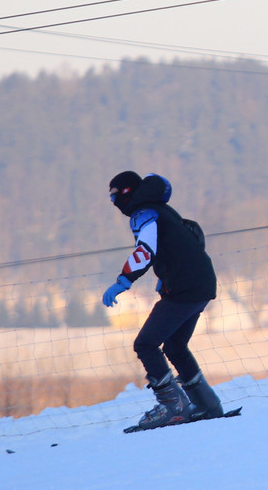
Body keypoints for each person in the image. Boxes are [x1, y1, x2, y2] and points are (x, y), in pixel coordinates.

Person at [102, 171, 223, 429]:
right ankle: (207, 404)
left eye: (114, 196)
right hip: (202, 284)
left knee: (146, 344)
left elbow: (146, 250)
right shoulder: (163, 209)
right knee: (175, 347)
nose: (113, 203)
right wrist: (169, 271)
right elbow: (188, 237)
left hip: (184, 290)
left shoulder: (143, 214)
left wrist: (123, 280)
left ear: (127, 193)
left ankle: (173, 407)